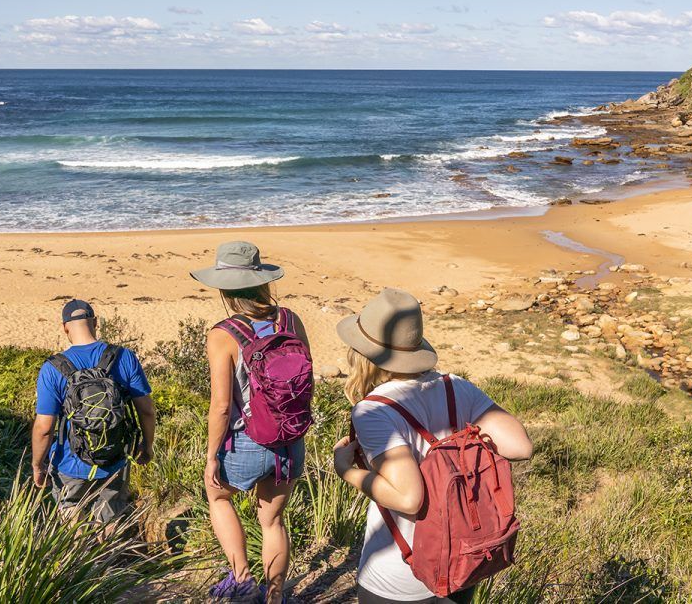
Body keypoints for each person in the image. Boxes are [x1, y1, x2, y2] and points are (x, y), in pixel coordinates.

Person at [331, 288, 534, 604]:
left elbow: (408, 498)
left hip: (400, 576)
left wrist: (345, 469)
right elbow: (520, 446)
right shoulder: (456, 387)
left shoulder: (373, 410)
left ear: (362, 354)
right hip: (462, 560)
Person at [191, 241, 313, 604]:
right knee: (272, 522)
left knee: (217, 495)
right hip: (288, 438)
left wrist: (211, 456)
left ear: (225, 290)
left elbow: (221, 406)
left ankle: (242, 580)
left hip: (246, 441)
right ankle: (274, 598)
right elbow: (306, 378)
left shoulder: (223, 334)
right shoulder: (290, 319)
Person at [31, 299, 156, 523]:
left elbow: (44, 428)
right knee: (109, 520)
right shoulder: (124, 357)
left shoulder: (52, 368)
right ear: (95, 322)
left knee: (71, 516)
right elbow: (146, 411)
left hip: (69, 463)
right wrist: (147, 446)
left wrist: (37, 465)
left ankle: (80, 546)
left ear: (65, 327)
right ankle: (105, 545)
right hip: (115, 458)